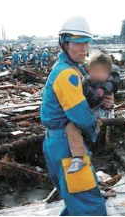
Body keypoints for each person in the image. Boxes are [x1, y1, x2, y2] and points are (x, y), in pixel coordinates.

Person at [41, 16, 113, 216]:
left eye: (86, 43)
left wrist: (103, 101)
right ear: (64, 43)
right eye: (77, 43)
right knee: (89, 204)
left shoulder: (70, 68)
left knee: (74, 197)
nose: (83, 49)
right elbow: (80, 116)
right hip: (66, 143)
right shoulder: (67, 74)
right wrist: (93, 129)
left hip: (57, 140)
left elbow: (84, 98)